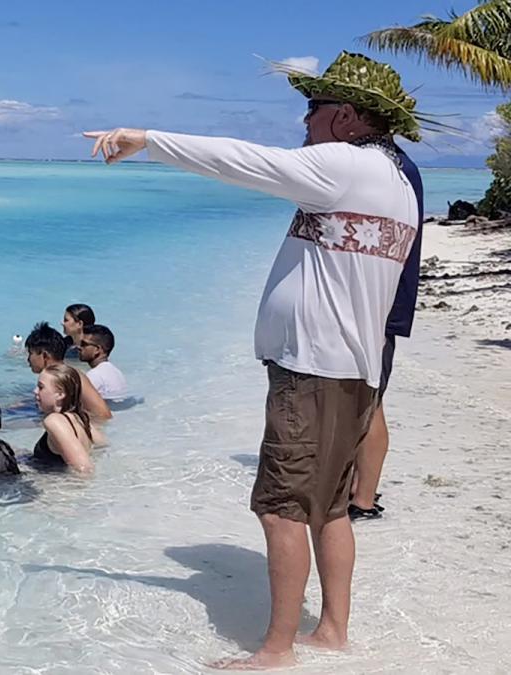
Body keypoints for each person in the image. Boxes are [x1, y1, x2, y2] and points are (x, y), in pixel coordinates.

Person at [85, 52, 426, 668]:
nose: (304, 124)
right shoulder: (398, 179)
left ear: (346, 116)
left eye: (313, 111)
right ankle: (332, 631)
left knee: (280, 508)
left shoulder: (344, 166)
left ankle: (275, 649)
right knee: (329, 507)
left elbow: (243, 161)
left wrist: (148, 139)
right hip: (355, 367)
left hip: (314, 370)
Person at [350, 142, 425, 520]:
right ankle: (359, 490)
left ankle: (363, 497)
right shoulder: (395, 166)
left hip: (381, 302)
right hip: (385, 298)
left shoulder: (390, 168)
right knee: (369, 397)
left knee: (370, 400)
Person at [24, 321, 111, 420]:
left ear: (44, 355)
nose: (28, 359)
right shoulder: (51, 378)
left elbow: (104, 414)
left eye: (31, 353)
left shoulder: (73, 376)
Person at [31, 364, 100, 474]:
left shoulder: (54, 421)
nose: (35, 391)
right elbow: (102, 446)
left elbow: (84, 468)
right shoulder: (80, 419)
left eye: (41, 387)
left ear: (60, 394)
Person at [78, 324, 131, 402]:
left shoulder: (94, 375)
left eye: (84, 344)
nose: (79, 347)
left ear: (97, 349)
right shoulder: (117, 372)